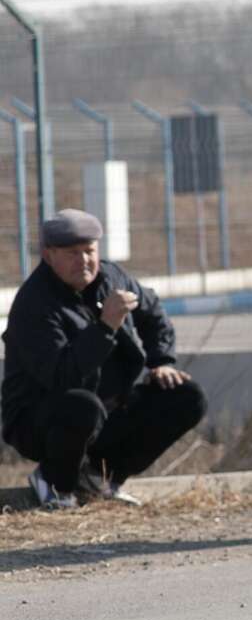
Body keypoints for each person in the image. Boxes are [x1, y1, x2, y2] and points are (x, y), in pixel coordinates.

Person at [2, 209, 207, 508]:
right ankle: (55, 483)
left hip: (106, 408)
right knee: (82, 405)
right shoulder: (35, 305)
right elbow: (62, 377)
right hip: (40, 418)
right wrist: (104, 327)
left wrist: (161, 361)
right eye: (72, 253)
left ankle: (99, 477)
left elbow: (152, 314)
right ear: (49, 256)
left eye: (89, 251)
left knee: (185, 397)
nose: (83, 261)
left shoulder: (112, 278)